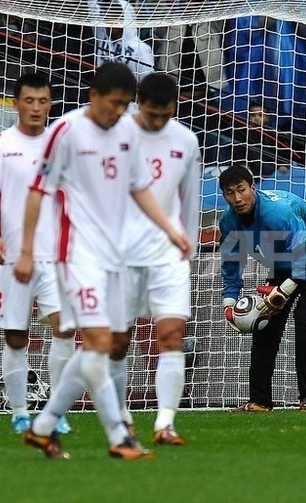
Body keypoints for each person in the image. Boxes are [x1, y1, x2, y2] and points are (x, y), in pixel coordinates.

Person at [13, 62, 191, 460]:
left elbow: (140, 187)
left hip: (116, 258)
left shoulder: (127, 130)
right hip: (76, 255)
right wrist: (25, 251)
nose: (118, 112)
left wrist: (170, 228)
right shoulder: (67, 131)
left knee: (100, 345)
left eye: (125, 105)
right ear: (94, 96)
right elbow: (37, 191)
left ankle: (43, 427)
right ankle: (119, 436)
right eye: (113, 104)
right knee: (97, 342)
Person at [0, 72, 74, 435]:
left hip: (55, 257)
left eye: (42, 101)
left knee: (64, 328)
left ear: (50, 104)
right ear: (16, 103)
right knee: (16, 336)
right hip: (13, 255)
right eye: (29, 101)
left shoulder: (59, 145)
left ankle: (56, 411)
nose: (36, 108)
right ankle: (18, 411)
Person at [109, 73, 201, 446]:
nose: (158, 122)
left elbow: (190, 199)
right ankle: (120, 417)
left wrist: (189, 245)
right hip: (121, 253)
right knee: (117, 341)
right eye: (152, 114)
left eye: (165, 115)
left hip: (167, 254)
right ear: (138, 103)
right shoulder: (116, 136)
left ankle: (165, 423)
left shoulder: (186, 140)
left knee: (171, 335)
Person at [218, 165, 306, 413]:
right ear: (224, 195)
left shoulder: (277, 213)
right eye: (230, 193)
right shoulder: (228, 222)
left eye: (242, 190)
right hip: (284, 263)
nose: (238, 199)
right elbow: (232, 263)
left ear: (253, 187)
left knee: (304, 321)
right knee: (266, 325)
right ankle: (260, 401)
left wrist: (283, 291)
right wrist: (229, 304)